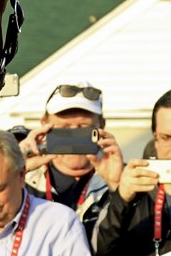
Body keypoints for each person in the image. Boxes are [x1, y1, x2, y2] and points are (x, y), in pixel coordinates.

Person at [18, 81, 124, 239]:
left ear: (101, 125)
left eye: (83, 128)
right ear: (44, 125)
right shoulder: (22, 177)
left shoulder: (122, 181)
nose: (74, 137)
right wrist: (14, 167)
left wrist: (118, 189)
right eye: (65, 128)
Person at [92, 89, 171, 256]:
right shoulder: (135, 191)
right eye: (166, 137)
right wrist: (121, 197)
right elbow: (101, 252)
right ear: (155, 139)